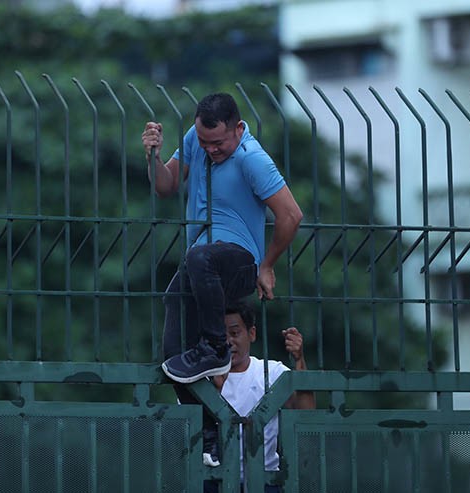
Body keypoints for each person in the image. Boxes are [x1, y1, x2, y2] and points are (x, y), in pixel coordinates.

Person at [142, 93, 303, 465]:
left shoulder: (252, 158)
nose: (210, 150)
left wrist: (267, 265)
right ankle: (210, 430)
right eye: (204, 143)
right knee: (174, 352)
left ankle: (215, 349)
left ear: (238, 128)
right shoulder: (195, 140)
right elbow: (165, 186)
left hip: (239, 261)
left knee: (200, 258)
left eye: (218, 143)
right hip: (202, 263)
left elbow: (291, 215)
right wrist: (152, 156)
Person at [204, 298, 316, 493]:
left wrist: (299, 359)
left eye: (235, 333)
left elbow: (306, 413)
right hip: (213, 480)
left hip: (265, 479)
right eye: (221, 335)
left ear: (252, 334)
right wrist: (215, 390)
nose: (229, 342)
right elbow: (189, 430)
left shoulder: (271, 372)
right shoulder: (202, 378)